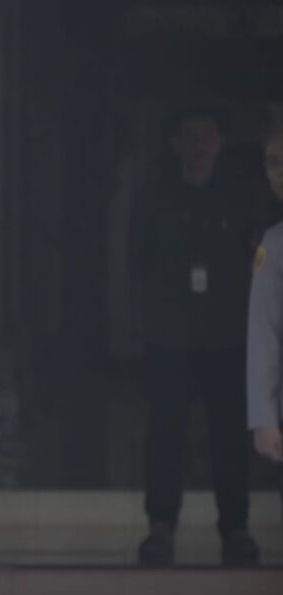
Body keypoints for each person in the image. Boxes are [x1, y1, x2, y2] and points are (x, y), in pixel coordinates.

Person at [131, 107, 259, 567]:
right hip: (170, 336)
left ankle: (237, 531)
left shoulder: (240, 200)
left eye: (207, 134)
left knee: (230, 436)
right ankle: (160, 529)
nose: (198, 144)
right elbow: (137, 265)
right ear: (174, 142)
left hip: (229, 337)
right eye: (189, 135)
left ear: (220, 142)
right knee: (166, 436)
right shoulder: (155, 200)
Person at [246, 126, 283, 470]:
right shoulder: (272, 246)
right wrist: (264, 417)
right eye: (272, 162)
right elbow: (263, 336)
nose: (279, 172)